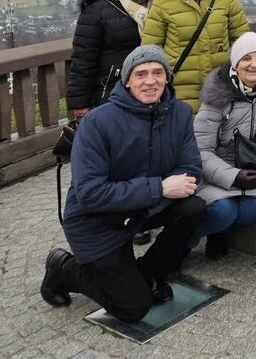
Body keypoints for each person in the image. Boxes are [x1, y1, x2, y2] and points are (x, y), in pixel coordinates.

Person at [40, 46, 204, 323]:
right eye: (141, 74)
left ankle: (149, 272)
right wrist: (160, 188)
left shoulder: (180, 114)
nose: (150, 81)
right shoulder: (96, 123)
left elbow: (190, 169)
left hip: (140, 210)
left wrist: (160, 191)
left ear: (167, 78)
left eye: (157, 73)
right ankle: (64, 268)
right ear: (126, 80)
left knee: (194, 207)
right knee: (133, 309)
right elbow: (90, 194)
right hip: (96, 221)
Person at [189, 32, 256, 259]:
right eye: (246, 58)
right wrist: (233, 176)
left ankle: (220, 230)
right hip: (217, 175)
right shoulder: (217, 97)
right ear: (236, 63)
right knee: (222, 210)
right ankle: (180, 245)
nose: (254, 64)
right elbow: (200, 150)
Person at [141, 0, 250, 113]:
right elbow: (150, 51)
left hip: (222, 89)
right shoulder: (162, 3)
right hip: (178, 93)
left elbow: (244, 44)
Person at [66, 0, 155, 118]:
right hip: (114, 94)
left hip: (155, 89)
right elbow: (84, 58)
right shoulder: (98, 7)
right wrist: (80, 103)